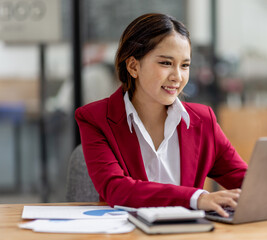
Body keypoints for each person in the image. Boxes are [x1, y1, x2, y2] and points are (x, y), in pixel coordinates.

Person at [75, 13, 247, 217]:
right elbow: (116, 189)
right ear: (133, 66)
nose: (177, 76)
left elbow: (247, 183)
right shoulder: (95, 118)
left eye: (185, 65)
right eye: (166, 63)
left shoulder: (203, 120)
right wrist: (197, 199)